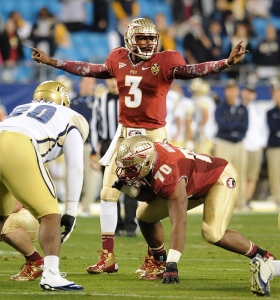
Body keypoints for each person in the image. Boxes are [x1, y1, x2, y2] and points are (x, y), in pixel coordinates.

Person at [30, 17, 248, 274]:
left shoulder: (166, 60)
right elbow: (88, 68)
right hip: (124, 135)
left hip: (153, 138)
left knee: (155, 198)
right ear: (129, 39)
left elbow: (192, 70)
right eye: (142, 38)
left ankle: (155, 256)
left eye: (151, 38)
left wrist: (225, 63)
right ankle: (108, 257)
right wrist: (53, 62)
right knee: (107, 193)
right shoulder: (118, 58)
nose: (147, 43)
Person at [113, 135, 275, 286]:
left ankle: (264, 256)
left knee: (212, 233)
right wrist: (131, 191)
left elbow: (179, 222)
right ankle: (158, 261)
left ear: (147, 163)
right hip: (192, 183)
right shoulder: (152, 155)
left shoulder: (169, 173)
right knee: (144, 215)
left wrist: (173, 264)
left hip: (218, 178)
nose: (126, 171)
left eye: (131, 167)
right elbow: (150, 196)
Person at [0, 80, 89, 291]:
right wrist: (71, 211)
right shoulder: (72, 116)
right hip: (17, 143)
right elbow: (75, 165)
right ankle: (51, 274)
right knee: (50, 214)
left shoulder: (21, 109)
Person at [0, 109, 43, 282]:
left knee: (2, 222)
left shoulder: (9, 154)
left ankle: (36, 260)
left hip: (27, 214)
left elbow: (15, 205)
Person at [90, 78, 138, 236]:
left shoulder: (129, 99)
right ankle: (115, 226)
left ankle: (131, 225)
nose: (112, 83)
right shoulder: (100, 100)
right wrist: (93, 150)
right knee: (110, 186)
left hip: (128, 145)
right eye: (110, 79)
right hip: (107, 145)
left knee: (129, 185)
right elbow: (94, 126)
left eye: (115, 79)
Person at [214, 79, 248, 210]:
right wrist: (235, 126)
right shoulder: (220, 108)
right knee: (223, 173)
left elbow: (245, 127)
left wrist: (231, 126)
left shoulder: (243, 109)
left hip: (239, 143)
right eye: (229, 90)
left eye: (234, 90)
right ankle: (223, 201)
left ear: (238, 91)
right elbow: (221, 125)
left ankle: (240, 202)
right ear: (225, 91)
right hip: (224, 142)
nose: (232, 92)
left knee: (240, 173)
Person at [70, 77, 101, 217]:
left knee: (91, 178)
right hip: (72, 144)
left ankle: (86, 207)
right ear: (80, 84)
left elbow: (101, 126)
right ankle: (72, 206)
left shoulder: (98, 103)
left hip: (90, 144)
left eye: (91, 83)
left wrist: (98, 144)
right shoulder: (72, 102)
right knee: (72, 175)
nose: (88, 86)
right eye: (86, 82)